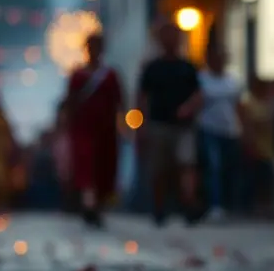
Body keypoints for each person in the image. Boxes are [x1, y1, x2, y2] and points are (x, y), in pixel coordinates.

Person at [137, 20, 201, 225]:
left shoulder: (188, 67)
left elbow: (199, 94)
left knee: (186, 165)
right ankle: (159, 208)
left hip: (183, 126)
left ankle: (189, 204)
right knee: (159, 169)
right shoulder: (152, 68)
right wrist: (141, 125)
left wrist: (188, 108)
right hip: (158, 124)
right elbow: (141, 98)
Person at [66, 34, 124, 228]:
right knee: (86, 166)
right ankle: (88, 204)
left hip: (106, 129)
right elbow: (70, 101)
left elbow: (119, 101)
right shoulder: (78, 75)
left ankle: (97, 205)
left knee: (103, 168)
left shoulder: (110, 75)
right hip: (84, 128)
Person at [192, 48, 243, 221]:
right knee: (214, 166)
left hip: (230, 130)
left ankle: (229, 204)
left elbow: (239, 106)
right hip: (208, 129)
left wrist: (244, 128)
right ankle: (214, 205)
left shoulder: (233, 81)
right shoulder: (201, 79)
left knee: (228, 169)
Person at [240, 77, 274, 215]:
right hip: (253, 146)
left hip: (268, 147)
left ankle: (266, 206)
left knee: (266, 178)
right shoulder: (249, 102)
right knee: (251, 178)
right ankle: (250, 206)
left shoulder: (270, 102)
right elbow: (247, 124)